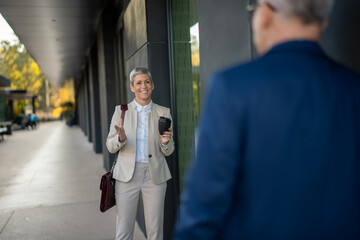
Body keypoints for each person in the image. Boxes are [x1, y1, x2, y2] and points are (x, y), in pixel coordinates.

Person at [174, 0, 360, 239]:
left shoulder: (232, 87)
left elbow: (203, 207)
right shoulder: (353, 89)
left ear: (267, 13)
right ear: (323, 21)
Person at [106, 67, 175, 240]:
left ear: (152, 85)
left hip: (155, 176)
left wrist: (165, 143)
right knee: (124, 231)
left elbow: (169, 150)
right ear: (132, 87)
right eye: (138, 83)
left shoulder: (163, 112)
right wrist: (120, 139)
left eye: (147, 82)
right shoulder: (121, 112)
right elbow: (110, 145)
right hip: (127, 176)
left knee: (155, 231)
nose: (143, 86)